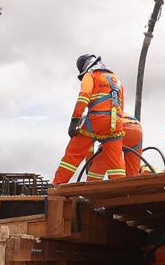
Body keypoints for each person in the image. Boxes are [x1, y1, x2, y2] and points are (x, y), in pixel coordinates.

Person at [53, 54, 127, 184]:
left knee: (73, 154)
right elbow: (121, 105)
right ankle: (121, 192)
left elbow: (84, 95)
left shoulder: (91, 75)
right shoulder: (117, 80)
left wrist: (75, 120)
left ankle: (57, 185)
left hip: (96, 121)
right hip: (115, 125)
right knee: (117, 166)